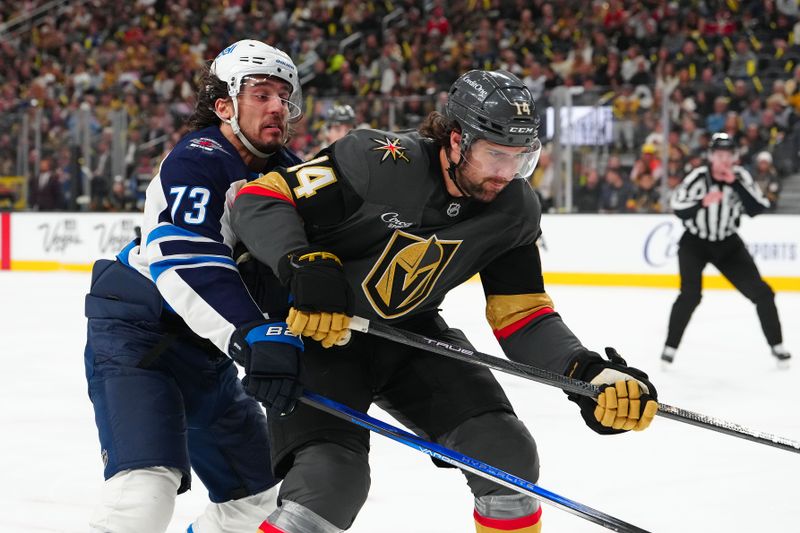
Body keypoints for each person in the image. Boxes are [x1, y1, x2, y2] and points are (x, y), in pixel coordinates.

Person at [232, 70, 659, 533]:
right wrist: (304, 263)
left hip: (409, 334)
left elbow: (523, 314)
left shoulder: (514, 208)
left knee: (507, 455)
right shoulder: (379, 161)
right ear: (456, 140)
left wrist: (584, 372)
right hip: (317, 334)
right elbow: (261, 197)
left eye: (520, 158)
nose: (505, 173)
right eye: (495, 155)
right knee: (330, 485)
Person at [83, 39, 305, 533]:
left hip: (206, 348)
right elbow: (186, 257)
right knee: (143, 491)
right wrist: (252, 333)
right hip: (141, 338)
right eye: (261, 94)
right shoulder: (198, 158)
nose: (277, 107)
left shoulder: (289, 171)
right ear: (223, 105)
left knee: (259, 500)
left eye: (283, 97)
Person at [660, 133, 791, 367]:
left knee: (763, 293)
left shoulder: (740, 176)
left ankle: (777, 346)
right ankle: (669, 348)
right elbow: (678, 207)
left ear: (734, 157)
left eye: (728, 155)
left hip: (728, 244)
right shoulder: (699, 176)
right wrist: (703, 202)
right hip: (695, 243)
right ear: (711, 156)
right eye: (718, 155)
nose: (723, 160)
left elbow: (757, 208)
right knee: (690, 295)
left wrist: (735, 184)